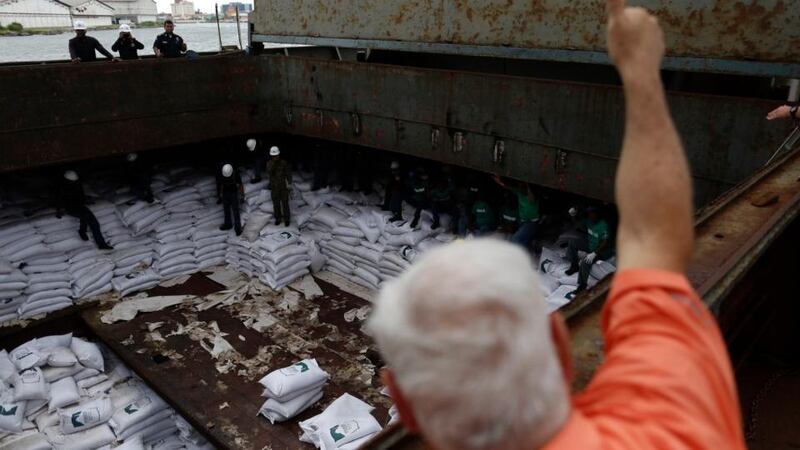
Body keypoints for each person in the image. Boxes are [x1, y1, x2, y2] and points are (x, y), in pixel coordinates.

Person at [367, 2, 746, 450]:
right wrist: (641, 74)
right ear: (561, 353)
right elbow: (654, 235)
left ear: (404, 407)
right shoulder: (667, 427)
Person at [56, 171, 113, 250]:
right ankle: (98, 242)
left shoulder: (77, 185)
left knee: (93, 222)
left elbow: (81, 195)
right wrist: (59, 210)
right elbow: (59, 200)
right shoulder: (62, 189)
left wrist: (86, 200)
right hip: (70, 208)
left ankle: (95, 239)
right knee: (90, 220)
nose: (74, 182)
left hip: (80, 206)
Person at [565, 206, 612, 293]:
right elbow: (577, 225)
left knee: (585, 262)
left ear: (598, 215)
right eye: (589, 215)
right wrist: (573, 216)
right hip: (591, 245)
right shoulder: (588, 220)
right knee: (572, 242)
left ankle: (582, 285)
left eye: (593, 215)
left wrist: (594, 253)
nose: (591, 217)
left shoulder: (603, 225)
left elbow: (605, 242)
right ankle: (574, 266)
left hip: (601, 251)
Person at [493, 175, 540, 250]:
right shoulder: (519, 193)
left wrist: (527, 184)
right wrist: (499, 181)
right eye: (520, 187)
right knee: (525, 241)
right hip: (523, 222)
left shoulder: (531, 197)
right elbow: (506, 186)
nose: (520, 188)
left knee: (515, 239)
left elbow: (531, 197)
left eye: (522, 187)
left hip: (530, 223)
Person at [267, 146, 292, 226]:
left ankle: (287, 219)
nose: (275, 157)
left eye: (277, 155)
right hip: (274, 188)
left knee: (285, 204)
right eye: (274, 156)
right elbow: (269, 172)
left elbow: (288, 173)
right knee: (276, 204)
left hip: (283, 187)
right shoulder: (269, 163)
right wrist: (274, 164)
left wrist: (289, 182)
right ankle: (278, 218)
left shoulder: (284, 163)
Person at [217, 164, 243, 235]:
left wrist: (242, 195)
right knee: (226, 209)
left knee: (235, 211)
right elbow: (221, 184)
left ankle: (238, 229)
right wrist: (221, 194)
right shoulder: (222, 173)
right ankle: (228, 224)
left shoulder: (235, 173)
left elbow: (240, 184)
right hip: (225, 193)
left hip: (233, 193)